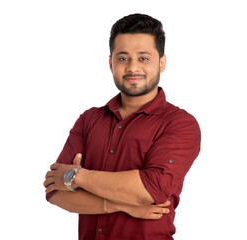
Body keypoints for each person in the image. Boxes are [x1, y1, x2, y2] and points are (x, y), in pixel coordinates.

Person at [43, 13, 201, 240]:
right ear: (111, 63)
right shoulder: (89, 120)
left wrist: (76, 176)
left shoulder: (179, 124)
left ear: (162, 63)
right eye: (123, 58)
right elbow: (55, 191)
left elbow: (151, 189)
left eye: (144, 58)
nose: (132, 68)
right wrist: (124, 205)